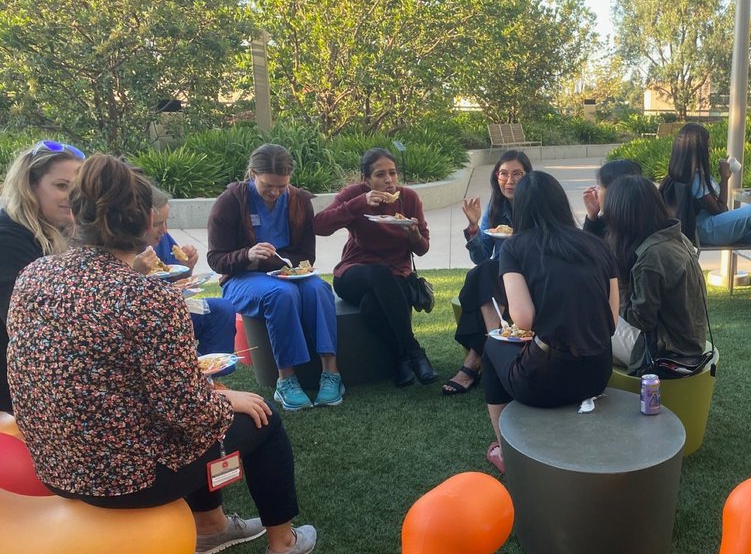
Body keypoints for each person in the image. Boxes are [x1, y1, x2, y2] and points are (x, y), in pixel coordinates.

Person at [7, 155, 317, 554]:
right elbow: (185, 411)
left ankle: (212, 525)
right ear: (145, 224)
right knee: (264, 418)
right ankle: (282, 543)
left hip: (55, 466)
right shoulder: (151, 299)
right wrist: (229, 402)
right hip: (128, 481)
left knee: (195, 418)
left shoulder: (35, 276)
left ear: (77, 215)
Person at [482, 171, 619, 473]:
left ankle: (507, 453)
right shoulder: (597, 246)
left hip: (544, 383)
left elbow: (523, 319)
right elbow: (611, 323)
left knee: (491, 345)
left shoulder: (514, 248)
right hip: (597, 374)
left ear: (521, 208)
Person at [207, 143, 344, 411]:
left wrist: (283, 265)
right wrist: (248, 254)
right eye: (268, 185)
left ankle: (331, 373)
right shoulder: (230, 202)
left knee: (318, 289)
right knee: (281, 294)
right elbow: (216, 259)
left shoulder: (299, 201)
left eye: (282, 186)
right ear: (252, 174)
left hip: (286, 275)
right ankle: (286, 380)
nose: (275, 193)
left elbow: (306, 255)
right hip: (241, 279)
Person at [314, 147, 437, 387]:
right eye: (380, 174)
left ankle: (399, 360)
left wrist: (413, 234)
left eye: (392, 173)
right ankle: (414, 351)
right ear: (366, 179)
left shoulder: (408, 198)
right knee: (380, 275)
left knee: (372, 305)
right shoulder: (355, 195)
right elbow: (319, 225)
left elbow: (422, 248)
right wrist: (359, 203)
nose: (389, 180)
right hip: (354, 272)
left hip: (396, 273)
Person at [0, 139, 85, 414]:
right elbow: (28, 322)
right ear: (30, 187)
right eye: (62, 186)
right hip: (17, 389)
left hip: (46, 371)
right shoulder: (8, 238)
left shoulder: (55, 231)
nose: (72, 197)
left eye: (77, 189)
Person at [443, 149, 532, 395]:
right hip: (499, 277)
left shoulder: (536, 205)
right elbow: (480, 255)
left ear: (528, 177)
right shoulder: (496, 206)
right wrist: (473, 227)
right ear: (496, 177)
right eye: (503, 174)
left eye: (517, 174)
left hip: (531, 277)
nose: (510, 180)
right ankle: (493, 345)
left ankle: (473, 363)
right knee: (484, 270)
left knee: (483, 273)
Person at [658, 122, 751, 306]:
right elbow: (721, 209)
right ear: (698, 148)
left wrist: (724, 178)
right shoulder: (694, 178)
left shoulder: (686, 173)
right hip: (705, 229)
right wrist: (725, 177)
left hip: (709, 226)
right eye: (708, 144)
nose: (711, 148)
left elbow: (720, 209)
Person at [603, 175, 708, 372]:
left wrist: (617, 293)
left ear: (621, 218)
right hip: (690, 342)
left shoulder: (652, 257)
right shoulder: (677, 238)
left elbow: (642, 319)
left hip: (663, 352)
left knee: (591, 323)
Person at [138, 185, 238, 355]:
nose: (164, 230)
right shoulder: (122, 250)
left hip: (174, 305)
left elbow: (176, 278)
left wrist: (187, 266)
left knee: (222, 309)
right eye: (158, 224)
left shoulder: (161, 239)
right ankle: (195, 371)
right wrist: (137, 273)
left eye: (166, 222)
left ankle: (213, 374)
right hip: (150, 317)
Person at [582, 158, 644, 240]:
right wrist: (592, 217)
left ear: (613, 192)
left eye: (599, 187)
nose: (595, 191)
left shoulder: (624, 233)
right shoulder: (644, 218)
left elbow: (589, 250)